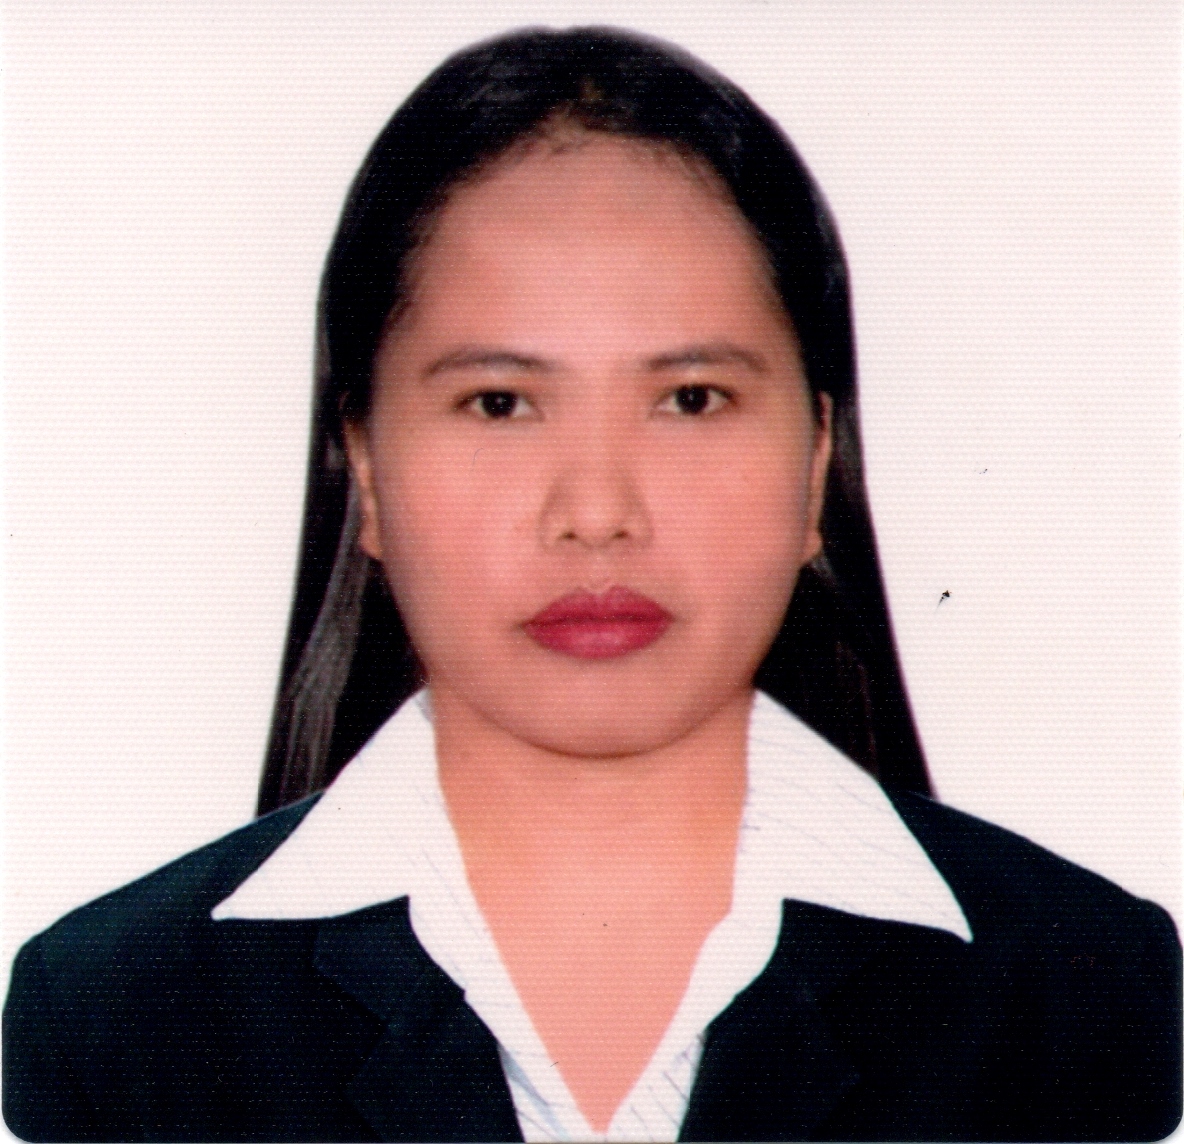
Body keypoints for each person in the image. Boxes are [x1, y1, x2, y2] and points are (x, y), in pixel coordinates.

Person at [3, 26, 1179, 1144]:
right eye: (498, 403)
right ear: (363, 467)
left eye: (691, 400)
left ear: (817, 455)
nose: (598, 511)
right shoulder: (110, 1023)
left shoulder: (1091, 997)